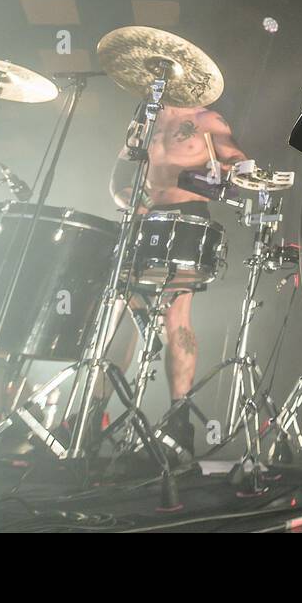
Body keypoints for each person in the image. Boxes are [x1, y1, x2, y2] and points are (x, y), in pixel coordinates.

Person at [102, 104, 247, 456]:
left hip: (186, 219)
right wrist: (129, 199)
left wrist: (220, 172)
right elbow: (120, 174)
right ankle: (95, 412)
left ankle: (179, 416)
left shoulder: (208, 119)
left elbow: (240, 166)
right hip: (142, 222)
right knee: (122, 317)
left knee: (175, 315)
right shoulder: (147, 118)